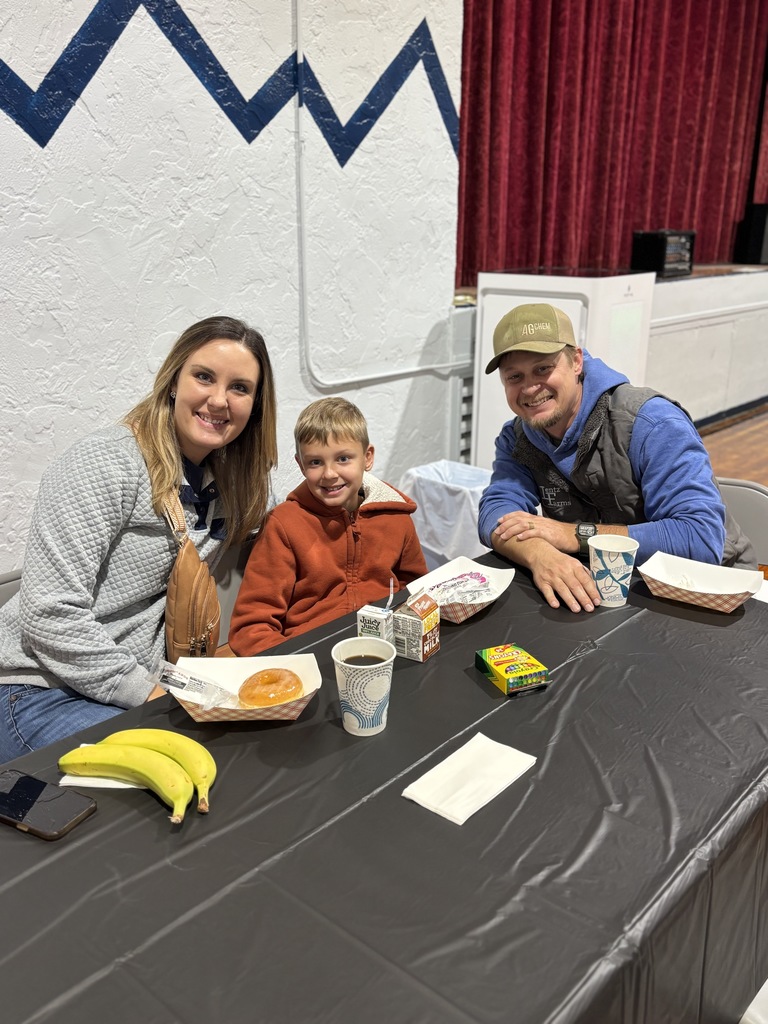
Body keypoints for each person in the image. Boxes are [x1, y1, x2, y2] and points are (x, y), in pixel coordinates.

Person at [0, 315, 277, 760]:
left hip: (138, 682)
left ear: (256, 405)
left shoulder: (230, 480)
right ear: (173, 381)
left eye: (240, 388)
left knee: (259, 747)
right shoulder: (104, 463)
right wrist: (149, 692)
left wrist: (359, 489)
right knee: (173, 772)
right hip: (36, 687)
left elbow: (290, 527)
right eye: (203, 377)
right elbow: (49, 613)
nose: (219, 400)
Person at [478, 302, 755, 613]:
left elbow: (700, 539)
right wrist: (540, 554)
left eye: (543, 368)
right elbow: (494, 514)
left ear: (577, 361)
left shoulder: (651, 423)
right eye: (514, 376)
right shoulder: (516, 438)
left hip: (708, 594)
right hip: (606, 591)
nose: (529, 388)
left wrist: (574, 536)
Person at [229, 397, 428, 653]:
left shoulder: (396, 516)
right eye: (315, 462)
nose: (330, 474)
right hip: (312, 655)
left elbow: (416, 589)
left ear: (367, 458)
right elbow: (251, 626)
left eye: (343, 458)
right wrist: (294, 667)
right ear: (301, 465)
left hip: (386, 646)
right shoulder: (283, 525)